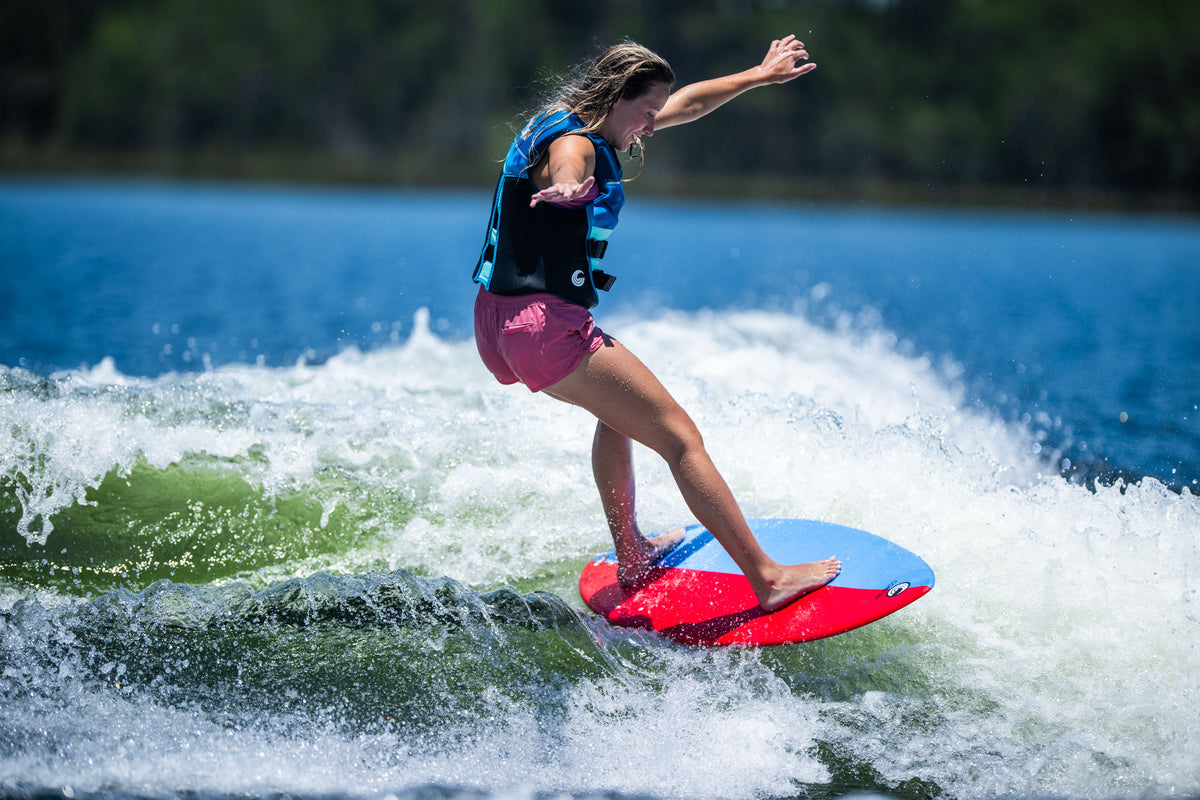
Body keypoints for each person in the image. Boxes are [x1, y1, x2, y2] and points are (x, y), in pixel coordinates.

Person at [472, 36, 840, 612]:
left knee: (615, 412)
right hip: (545, 327)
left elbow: (687, 104)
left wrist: (757, 76)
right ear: (617, 97)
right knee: (681, 440)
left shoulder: (562, 118)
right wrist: (567, 183)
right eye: (645, 112)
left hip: (497, 324)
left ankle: (634, 554)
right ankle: (768, 579)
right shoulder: (576, 142)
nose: (650, 125)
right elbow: (569, 160)